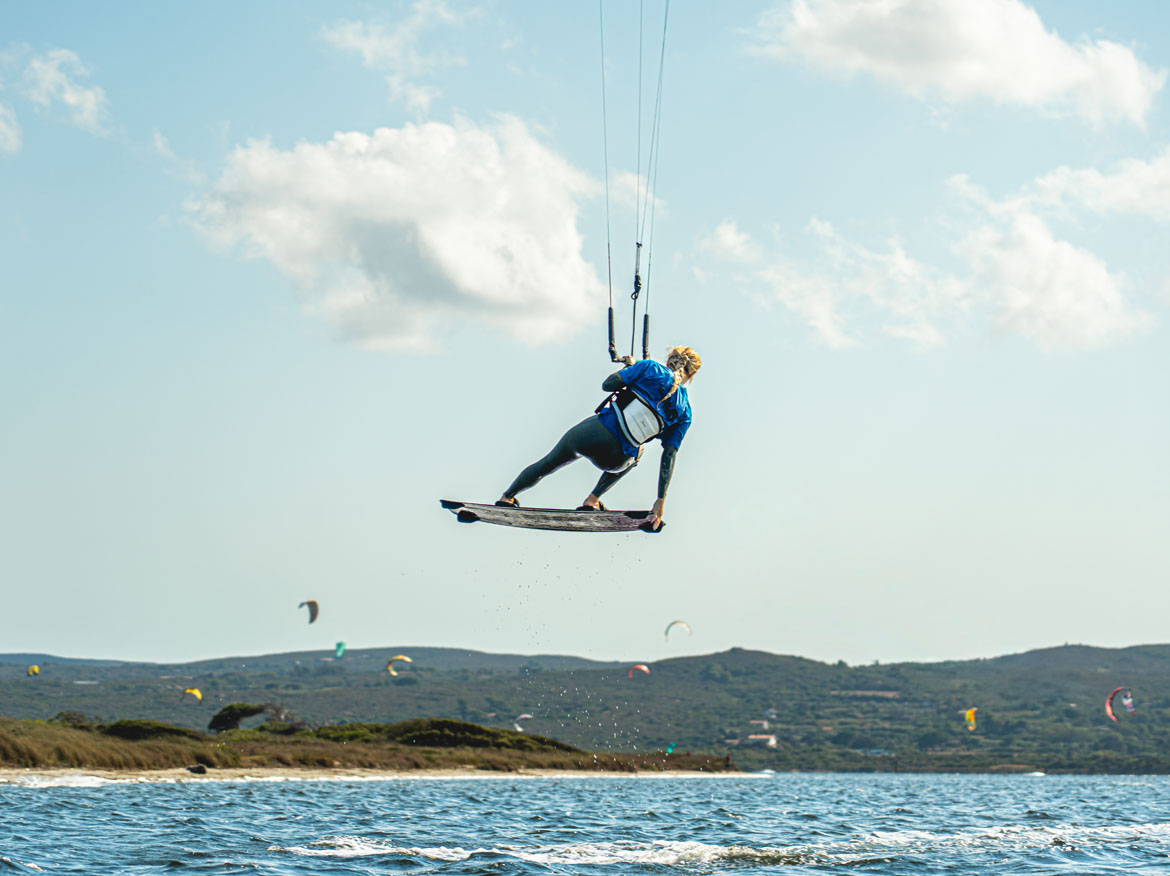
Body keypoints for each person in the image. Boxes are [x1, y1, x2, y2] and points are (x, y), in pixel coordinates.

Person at [497, 345, 701, 530]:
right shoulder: (685, 413)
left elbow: (608, 384)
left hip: (591, 436)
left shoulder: (650, 368)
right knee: (638, 452)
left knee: (549, 463)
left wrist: (629, 370)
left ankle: (507, 497)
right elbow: (669, 456)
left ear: (669, 361)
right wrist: (660, 499)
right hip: (616, 460)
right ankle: (592, 500)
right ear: (691, 375)